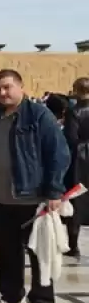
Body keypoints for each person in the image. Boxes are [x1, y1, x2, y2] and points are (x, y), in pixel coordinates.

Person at [0, 69, 70, 303]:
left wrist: (54, 191)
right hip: (1, 196)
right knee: (7, 251)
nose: (2, 93)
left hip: (32, 197)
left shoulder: (38, 115)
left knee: (39, 252)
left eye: (7, 87)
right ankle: (11, 297)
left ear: (20, 86)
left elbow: (58, 153)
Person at [64, 77, 89, 257]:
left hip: (80, 159)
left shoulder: (74, 111)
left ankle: (74, 245)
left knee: (77, 199)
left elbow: (71, 138)